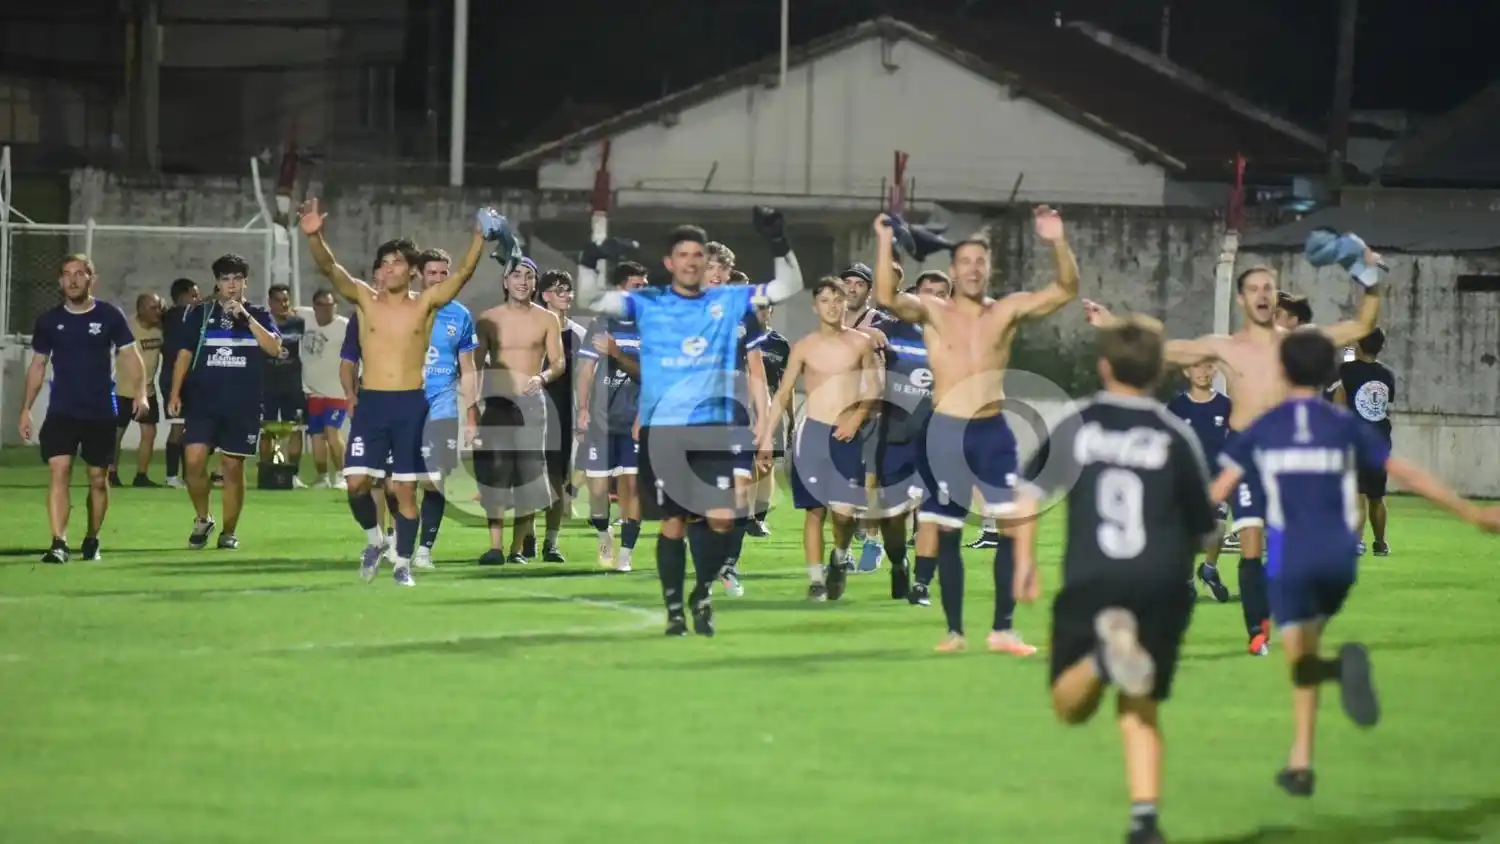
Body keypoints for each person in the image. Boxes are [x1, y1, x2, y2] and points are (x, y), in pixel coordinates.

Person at [1208, 329, 1500, 798]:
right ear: (1329, 376)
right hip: (1340, 558)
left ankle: (1321, 708)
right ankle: (1301, 760)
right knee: (1309, 643)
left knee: (1298, 654)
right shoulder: (1343, 426)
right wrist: (1472, 512)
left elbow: (1219, 490)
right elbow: (1405, 472)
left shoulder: (1267, 425)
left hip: (1292, 558)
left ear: (1282, 372)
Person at [1084, 257, 1382, 656]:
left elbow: (1360, 326)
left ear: (1275, 297)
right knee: (1251, 544)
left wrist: (1371, 281)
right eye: (1254, 288)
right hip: (1246, 455)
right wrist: (1111, 325)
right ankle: (1258, 632)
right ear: (1242, 299)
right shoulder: (1222, 347)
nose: (1262, 294)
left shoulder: (1297, 343)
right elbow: (1162, 351)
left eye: (1268, 288)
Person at [1012, 315, 1213, 844]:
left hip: (1094, 576)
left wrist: (1024, 561)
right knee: (1140, 702)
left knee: (1068, 705)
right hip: (1160, 582)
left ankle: (1103, 657)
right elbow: (1206, 532)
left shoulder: (1076, 421)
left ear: (1102, 367)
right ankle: (1144, 819)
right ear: (1160, 372)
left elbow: (1030, 491)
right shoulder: (1176, 434)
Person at [575, 207, 808, 636]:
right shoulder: (649, 303)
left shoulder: (731, 301)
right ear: (669, 262)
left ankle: (701, 590)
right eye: (682, 254)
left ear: (706, 262)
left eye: (698, 254)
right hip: (665, 428)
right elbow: (589, 298)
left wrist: (778, 240)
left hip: (717, 426)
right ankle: (674, 609)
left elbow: (789, 285)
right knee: (674, 522)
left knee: (720, 517)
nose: (691, 261)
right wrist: (594, 253)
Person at [872, 207, 1079, 654]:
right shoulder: (933, 310)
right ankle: (954, 632)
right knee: (946, 531)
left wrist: (1057, 240)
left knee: (1010, 528)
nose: (973, 269)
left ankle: (1003, 629)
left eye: (980, 262)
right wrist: (885, 240)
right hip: (946, 432)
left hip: (993, 433)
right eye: (965, 262)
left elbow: (1066, 289)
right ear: (952, 270)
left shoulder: (1005, 311)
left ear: (989, 269)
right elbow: (887, 296)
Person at [300, 198, 490, 586]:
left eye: (397, 262)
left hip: (410, 406)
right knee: (355, 483)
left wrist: (477, 237)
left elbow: (466, 271)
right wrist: (314, 235)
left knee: (404, 491)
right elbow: (328, 268)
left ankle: (403, 563)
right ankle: (374, 541)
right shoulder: (365, 301)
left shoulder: (428, 305)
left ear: (412, 271)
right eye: (384, 263)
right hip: (372, 405)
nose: (388, 269)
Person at [20, 254, 149, 562]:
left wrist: (142, 393)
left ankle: (92, 537)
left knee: (97, 479)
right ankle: (59, 543)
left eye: (80, 273)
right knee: (59, 471)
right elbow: (38, 365)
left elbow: (131, 356)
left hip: (101, 412)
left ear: (92, 278)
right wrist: (26, 408)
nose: (73, 279)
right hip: (62, 412)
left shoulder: (109, 316)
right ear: (60, 281)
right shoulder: (49, 321)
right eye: (67, 274)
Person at [759, 277, 880, 600]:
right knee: (814, 511)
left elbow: (875, 387)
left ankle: (839, 558)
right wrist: (764, 440)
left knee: (845, 515)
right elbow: (783, 391)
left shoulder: (861, 343)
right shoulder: (804, 346)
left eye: (838, 299)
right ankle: (815, 580)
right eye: (825, 300)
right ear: (815, 306)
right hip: (812, 433)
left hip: (846, 435)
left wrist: (856, 418)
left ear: (845, 303)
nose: (832, 306)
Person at [166, 254, 282, 549]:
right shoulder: (200, 314)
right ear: (217, 283)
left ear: (245, 281)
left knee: (232, 467)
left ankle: (229, 532)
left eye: (237, 279)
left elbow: (272, 348)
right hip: (203, 402)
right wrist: (175, 392)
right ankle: (203, 517)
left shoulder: (257, 313)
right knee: (192, 461)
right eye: (225, 279)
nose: (231, 285)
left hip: (242, 403)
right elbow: (184, 355)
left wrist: (247, 319)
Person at [864, 270, 950, 605]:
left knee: (931, 511)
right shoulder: (891, 329)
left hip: (939, 435)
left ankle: (923, 583)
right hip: (896, 434)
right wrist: (866, 333)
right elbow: (852, 337)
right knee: (892, 514)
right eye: (927, 291)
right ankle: (899, 561)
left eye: (941, 292)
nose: (934, 297)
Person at [473, 257, 566, 565]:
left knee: (529, 477)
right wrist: (472, 403)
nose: (522, 281)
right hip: (498, 405)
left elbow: (558, 362)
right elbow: (474, 364)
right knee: (495, 475)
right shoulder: (487, 319)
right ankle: (495, 547)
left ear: (535, 283)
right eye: (516, 275)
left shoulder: (547, 319)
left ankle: (516, 550)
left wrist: (542, 377)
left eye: (529, 276)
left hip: (531, 405)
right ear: (505, 282)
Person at [701, 242, 768, 597]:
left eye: (722, 268)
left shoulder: (744, 314)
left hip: (737, 415)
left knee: (740, 493)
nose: (717, 273)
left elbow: (756, 370)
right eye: (711, 266)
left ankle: (728, 566)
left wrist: (764, 422)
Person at [576, 261, 649, 571]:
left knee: (632, 489)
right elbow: (586, 370)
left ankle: (626, 554)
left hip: (633, 420)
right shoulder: (601, 324)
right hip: (600, 421)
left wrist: (617, 354)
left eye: (645, 286)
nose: (643, 292)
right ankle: (604, 533)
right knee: (597, 491)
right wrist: (581, 409)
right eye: (637, 286)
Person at [412, 248, 480, 568]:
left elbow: (467, 367)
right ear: (419, 275)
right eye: (432, 273)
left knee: (434, 479)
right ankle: (393, 541)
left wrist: (471, 413)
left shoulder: (461, 315)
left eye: (443, 273)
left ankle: (424, 550)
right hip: (405, 402)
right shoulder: (406, 308)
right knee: (396, 482)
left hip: (443, 405)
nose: (438, 279)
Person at [530, 269, 587, 562]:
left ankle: (551, 542)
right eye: (558, 290)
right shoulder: (530, 327)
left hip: (563, 411)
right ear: (544, 295)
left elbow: (584, 379)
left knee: (556, 479)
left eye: (568, 290)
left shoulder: (579, 334)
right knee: (527, 476)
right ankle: (526, 537)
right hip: (531, 410)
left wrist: (584, 414)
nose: (565, 295)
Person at [1166, 360, 1233, 601]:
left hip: (1217, 479)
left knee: (1217, 529)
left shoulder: (1226, 405)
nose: (1203, 373)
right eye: (1196, 367)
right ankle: (1185, 580)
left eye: (1208, 367)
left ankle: (1209, 570)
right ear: (1186, 370)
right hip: (1187, 479)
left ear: (1214, 370)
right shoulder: (1177, 406)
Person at [1330, 328, 1396, 556]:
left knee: (1357, 492)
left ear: (1359, 344)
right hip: (1379, 440)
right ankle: (1381, 543)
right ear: (1382, 347)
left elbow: (1340, 403)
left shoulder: (1348, 370)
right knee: (1377, 495)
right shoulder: (1387, 375)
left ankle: (1357, 542)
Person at [744, 304, 791, 539]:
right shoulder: (741, 335)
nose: (761, 313)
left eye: (765, 308)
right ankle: (747, 515)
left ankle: (759, 518)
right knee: (749, 463)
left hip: (772, 408)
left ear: (771, 311)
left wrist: (790, 415)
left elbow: (786, 383)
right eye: (756, 309)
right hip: (743, 408)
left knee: (768, 464)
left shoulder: (780, 343)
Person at [296, 289, 351, 488]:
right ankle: (322, 477)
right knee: (317, 435)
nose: (325, 310)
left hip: (337, 390)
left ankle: (342, 475)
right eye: (321, 305)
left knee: (332, 432)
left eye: (330, 306)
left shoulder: (344, 326)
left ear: (335, 306)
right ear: (314, 306)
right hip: (312, 390)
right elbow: (283, 312)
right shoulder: (305, 316)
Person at [110, 291, 165, 488]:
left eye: (159, 307)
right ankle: (112, 473)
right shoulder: (127, 327)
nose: (157, 312)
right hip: (123, 390)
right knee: (116, 434)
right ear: (140, 309)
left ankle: (141, 476)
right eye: (153, 308)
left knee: (149, 433)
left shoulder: (161, 328)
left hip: (147, 391)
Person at [260, 283, 307, 485]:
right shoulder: (261, 323)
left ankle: (293, 475)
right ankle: (266, 474)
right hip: (266, 385)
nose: (283, 304)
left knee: (295, 430)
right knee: (266, 430)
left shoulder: (298, 323)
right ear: (270, 303)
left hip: (292, 385)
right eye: (278, 300)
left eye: (285, 300)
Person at [159, 277, 202, 488]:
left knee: (188, 428)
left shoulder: (172, 317)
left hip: (189, 378)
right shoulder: (177, 316)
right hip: (173, 379)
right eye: (194, 295)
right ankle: (171, 476)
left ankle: (186, 476)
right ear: (182, 297)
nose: (198, 299)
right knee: (177, 427)